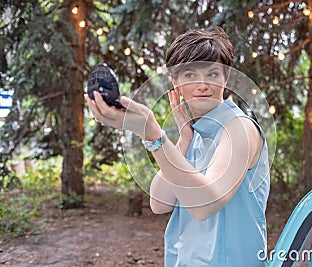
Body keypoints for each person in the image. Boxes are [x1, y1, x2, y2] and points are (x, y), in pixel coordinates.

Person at [85, 27, 270, 266]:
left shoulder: (240, 129)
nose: (202, 84)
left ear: (227, 79)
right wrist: (183, 141)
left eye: (212, 74)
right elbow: (159, 203)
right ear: (175, 83)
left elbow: (205, 204)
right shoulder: (194, 135)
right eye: (190, 75)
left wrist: (153, 133)